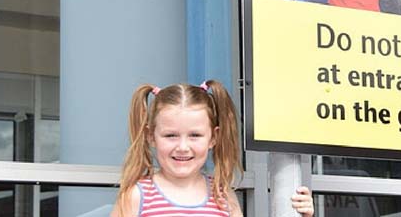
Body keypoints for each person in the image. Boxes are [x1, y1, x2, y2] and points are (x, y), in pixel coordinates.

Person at [110, 81, 314, 217]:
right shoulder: (136, 196)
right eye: (170, 135)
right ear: (150, 136)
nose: (183, 147)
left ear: (213, 137)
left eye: (195, 135)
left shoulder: (223, 196)